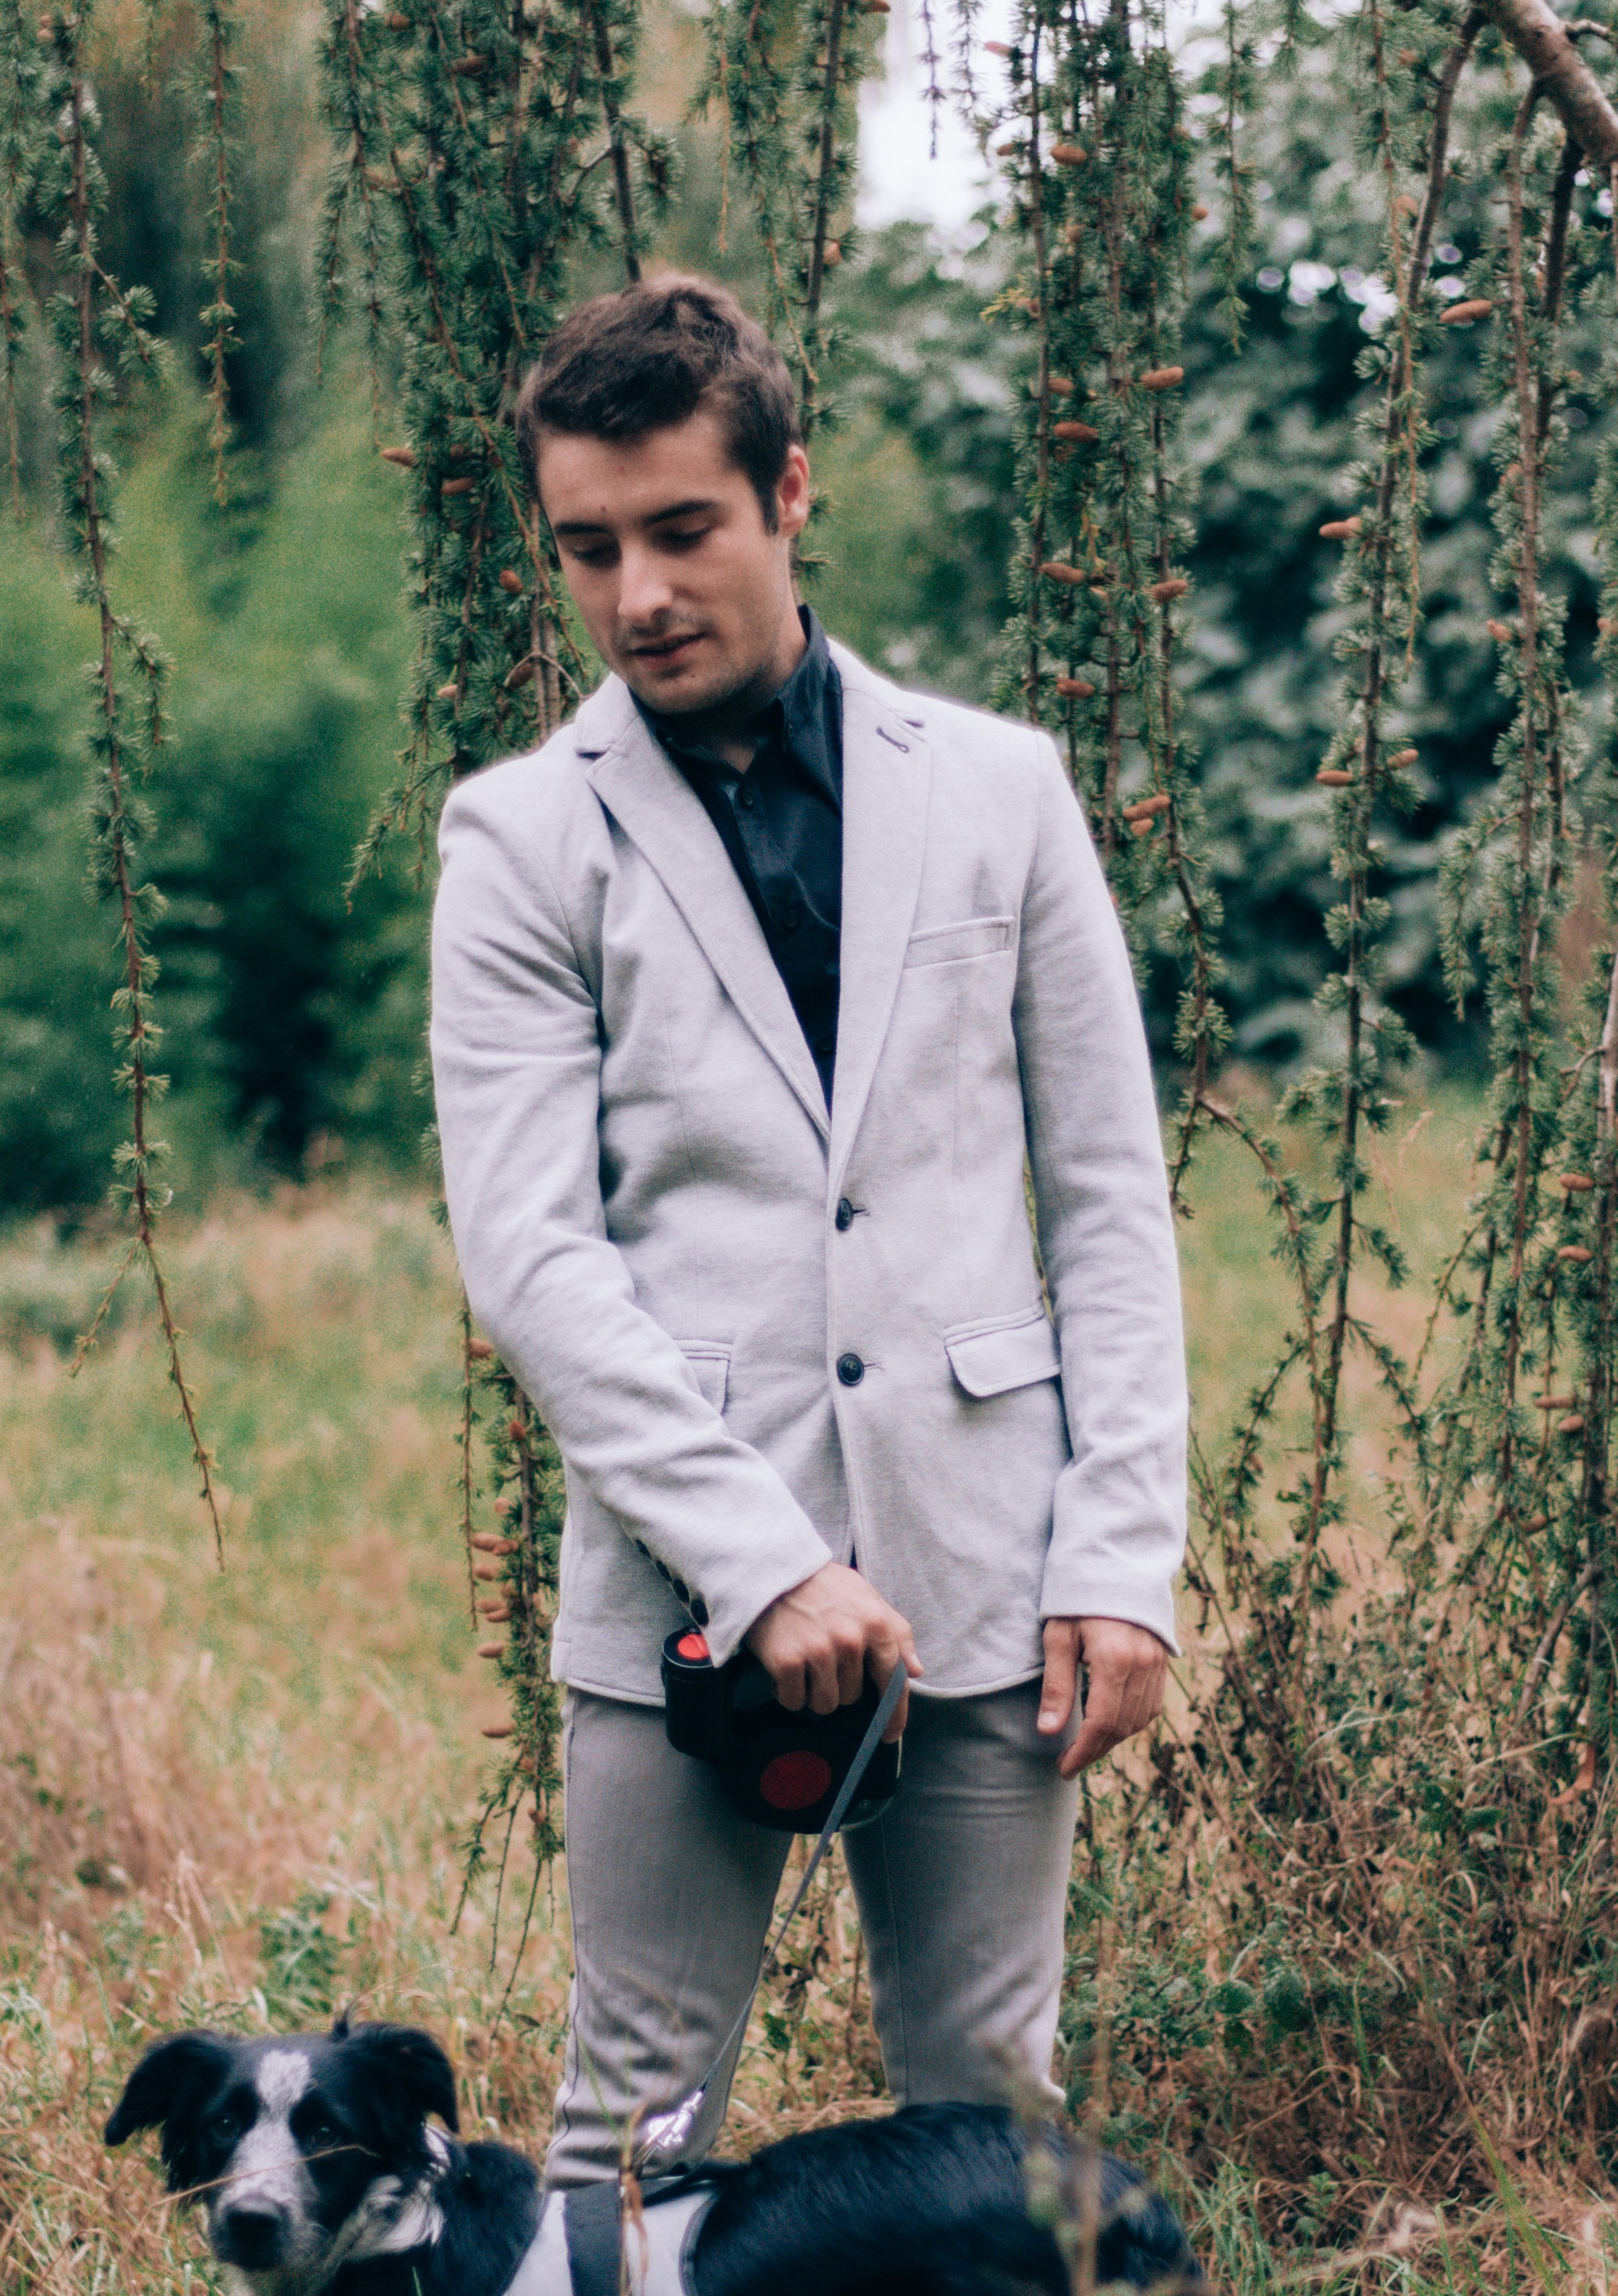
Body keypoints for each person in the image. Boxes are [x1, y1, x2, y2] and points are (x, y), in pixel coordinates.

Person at [430, 275, 1187, 2190]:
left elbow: (1108, 1198)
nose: (636, 596)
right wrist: (758, 1563)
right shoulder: (518, 841)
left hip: (985, 1564)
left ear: (785, 492)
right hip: (681, 1592)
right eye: (587, 549)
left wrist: (1119, 1556)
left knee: (990, 2134)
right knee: (634, 2127)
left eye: (680, 529)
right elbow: (530, 1259)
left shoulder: (1001, 790)